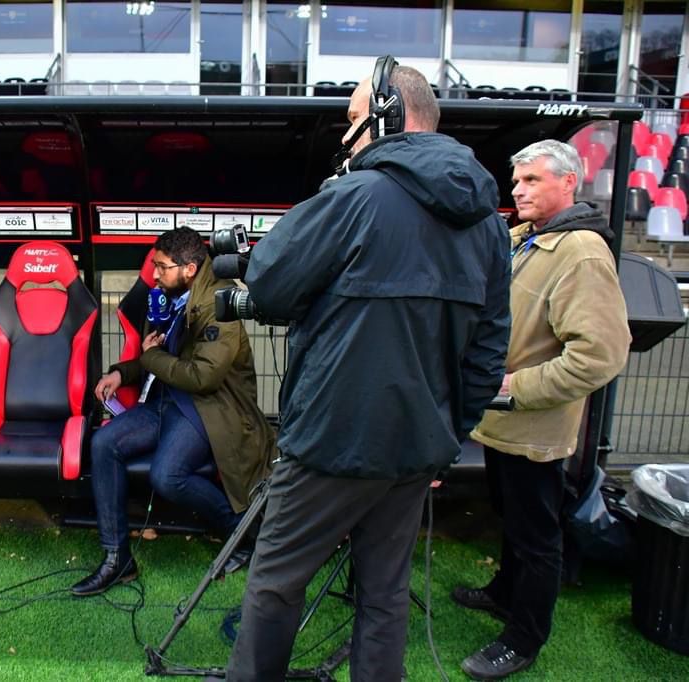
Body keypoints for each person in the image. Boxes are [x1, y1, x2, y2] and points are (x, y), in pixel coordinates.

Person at [224, 58, 511, 682]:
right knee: (384, 594)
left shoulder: (353, 196)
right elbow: (488, 354)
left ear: (388, 114)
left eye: (353, 118)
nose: (347, 133)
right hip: (417, 449)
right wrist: (445, 438)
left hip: (330, 442)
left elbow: (268, 286)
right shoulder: (490, 225)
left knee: (275, 584)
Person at [454, 140, 631, 680]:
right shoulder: (525, 238)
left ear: (568, 182)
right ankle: (505, 594)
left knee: (537, 537)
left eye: (532, 180)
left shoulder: (582, 253)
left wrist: (516, 386)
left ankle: (524, 638)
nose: (519, 190)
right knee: (512, 518)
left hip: (532, 424)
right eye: (517, 180)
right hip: (502, 419)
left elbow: (600, 355)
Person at [70, 226, 274, 597]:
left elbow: (202, 377)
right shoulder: (176, 296)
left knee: (167, 476)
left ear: (189, 269)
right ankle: (118, 559)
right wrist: (122, 372)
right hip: (168, 399)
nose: (155, 274)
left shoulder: (218, 304)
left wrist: (150, 358)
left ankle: (241, 529)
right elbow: (162, 354)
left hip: (210, 406)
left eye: (162, 267)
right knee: (104, 443)